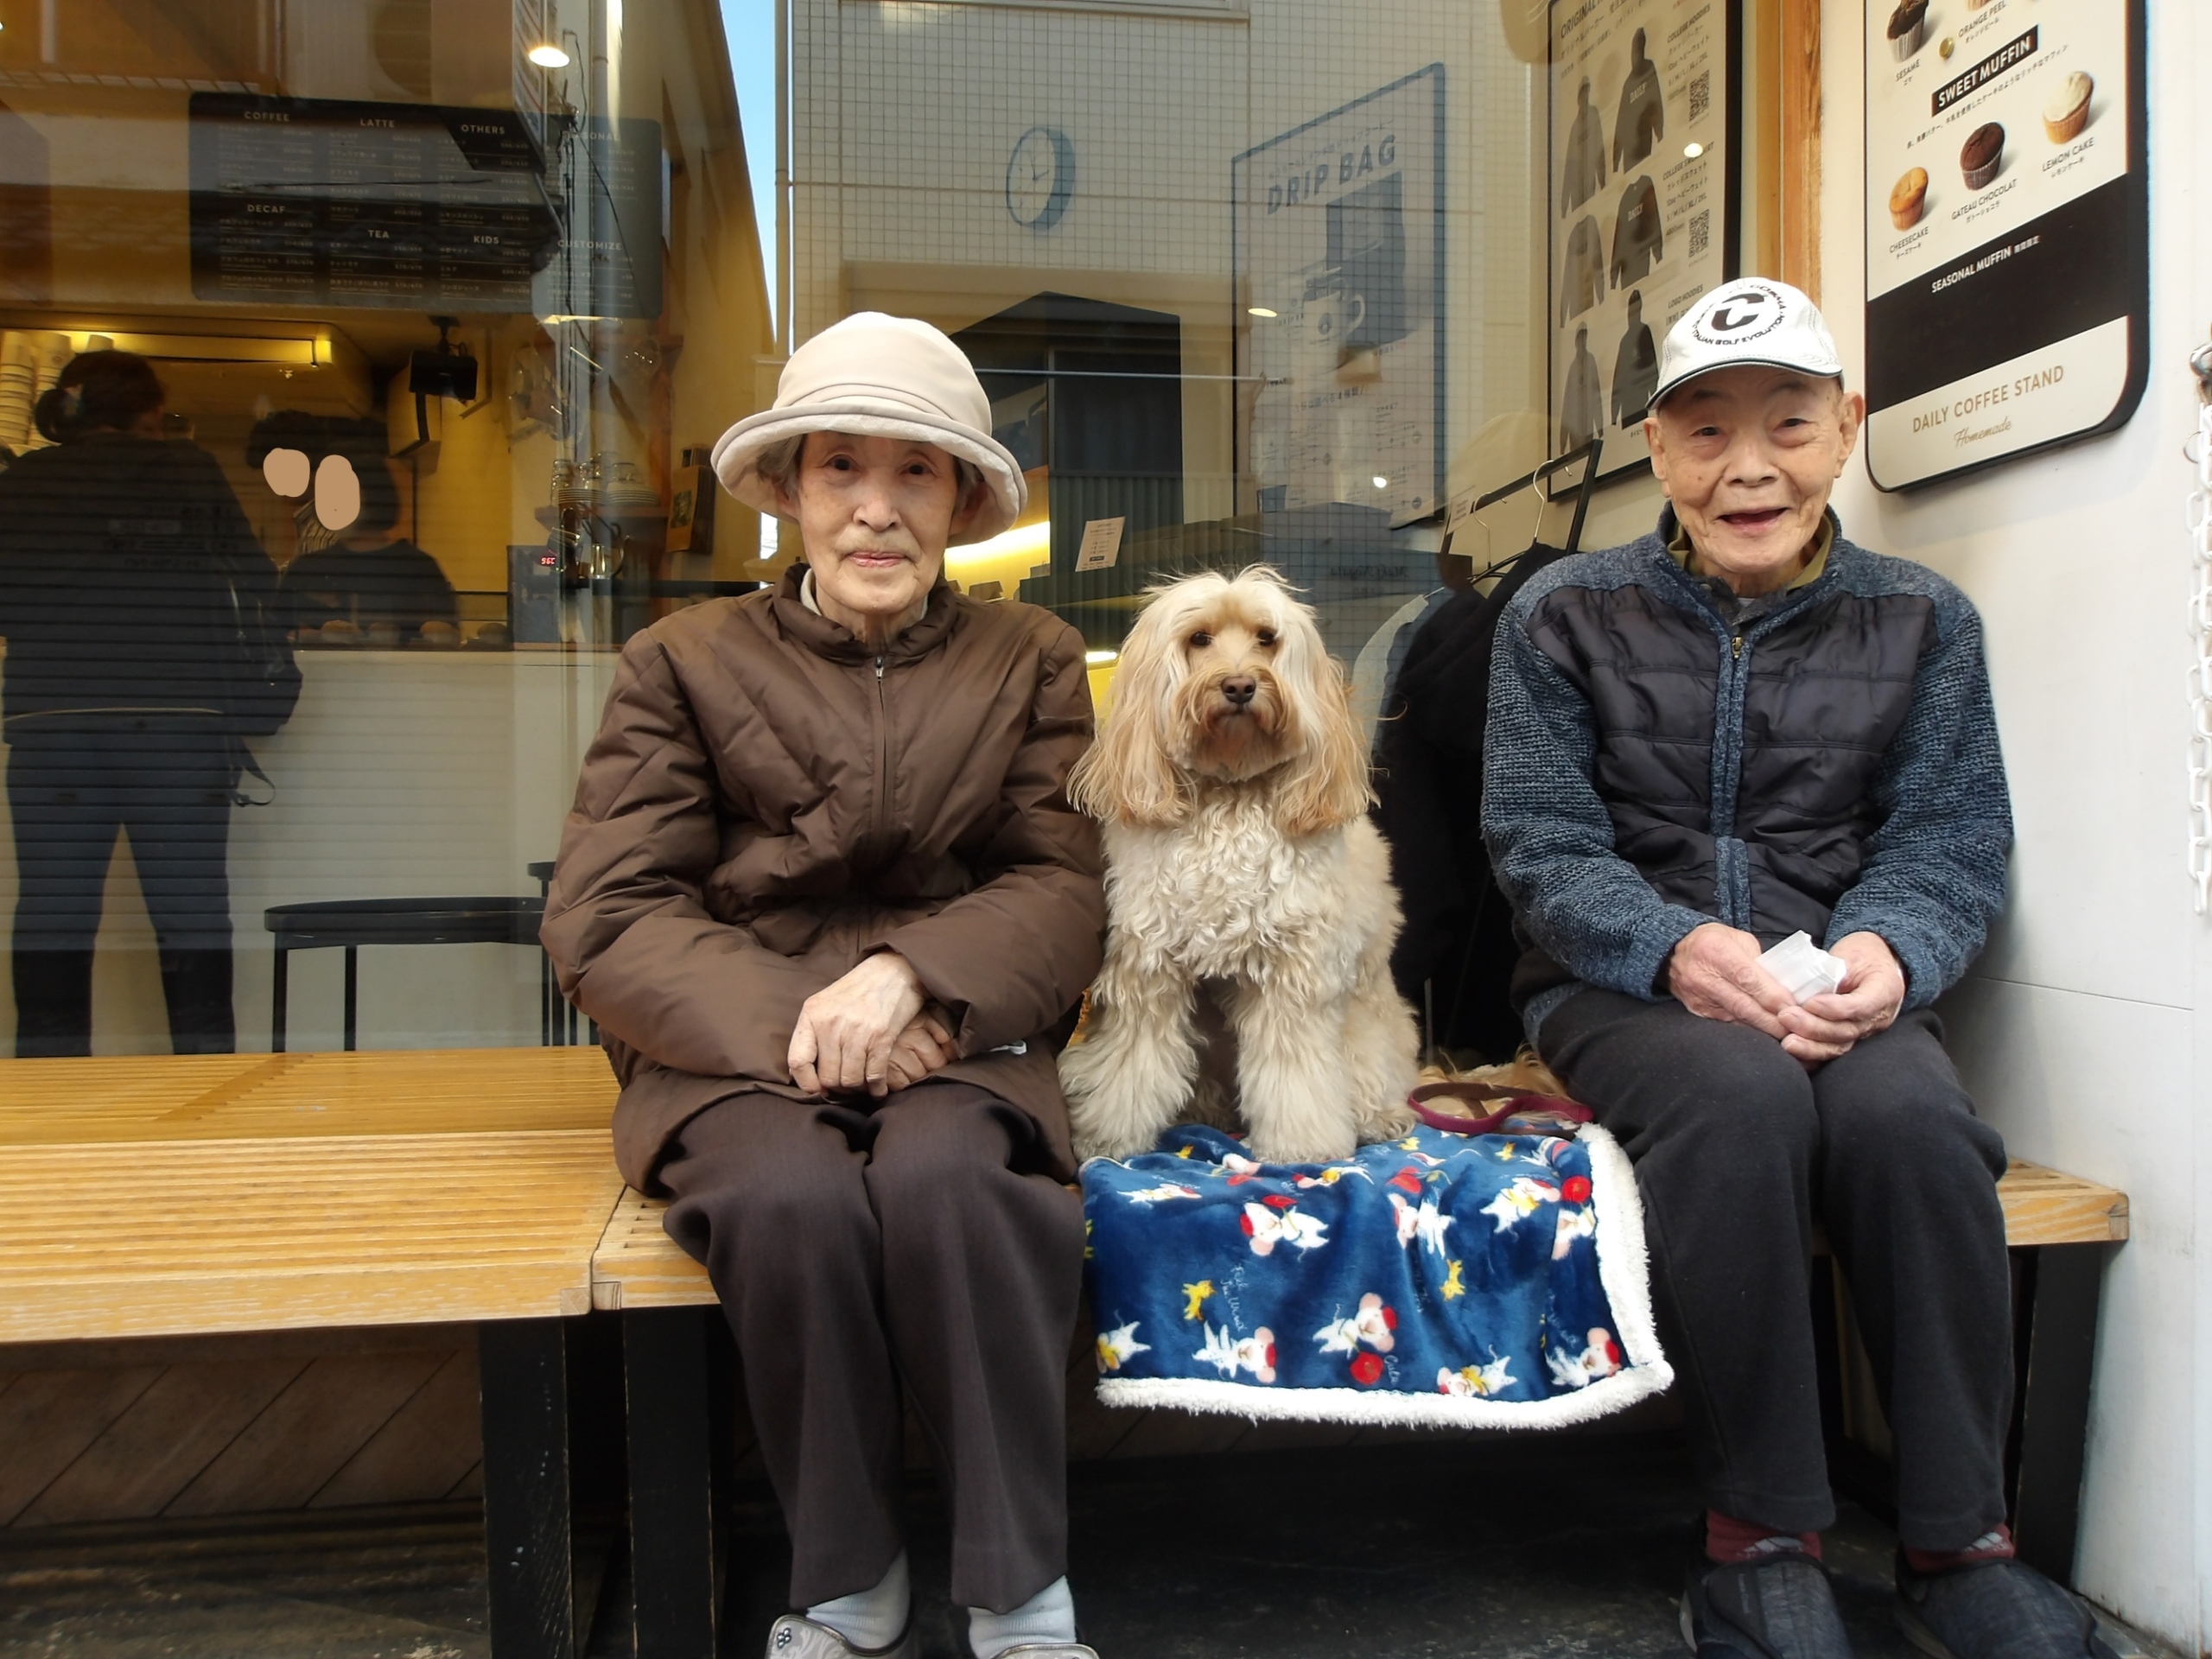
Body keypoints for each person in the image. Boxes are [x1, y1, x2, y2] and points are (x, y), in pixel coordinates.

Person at [1483, 281, 2116, 1659]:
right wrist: (1673, 947)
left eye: (1787, 422)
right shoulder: (1560, 610)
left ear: (1847, 429)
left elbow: (1951, 836)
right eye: (1707, 430)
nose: (1748, 465)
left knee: (1914, 1125)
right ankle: (1757, 1533)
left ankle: (1961, 1540)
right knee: (1736, 1100)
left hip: (1833, 980)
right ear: (1660, 449)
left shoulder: (1925, 620)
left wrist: (1891, 952)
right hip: (1619, 987)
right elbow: (1538, 844)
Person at [541, 312, 1106, 1659]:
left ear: (962, 501)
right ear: (791, 487)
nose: (876, 509)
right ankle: (847, 1571)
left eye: (916, 472)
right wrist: (820, 1020)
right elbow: (608, 910)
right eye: (840, 468)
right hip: (730, 1035)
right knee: (787, 1198)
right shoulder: (681, 661)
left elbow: (1066, 881)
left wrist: (916, 979)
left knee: (958, 1186)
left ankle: (1018, 1581)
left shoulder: (1028, 657)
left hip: (954, 1029)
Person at [0, 349, 279, 1057]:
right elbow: (255, 580)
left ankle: (47, 1092)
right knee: (191, 920)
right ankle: (205, 1086)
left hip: (51, 724)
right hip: (177, 726)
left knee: (53, 919)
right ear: (149, 411)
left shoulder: (22, 482)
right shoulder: (188, 469)